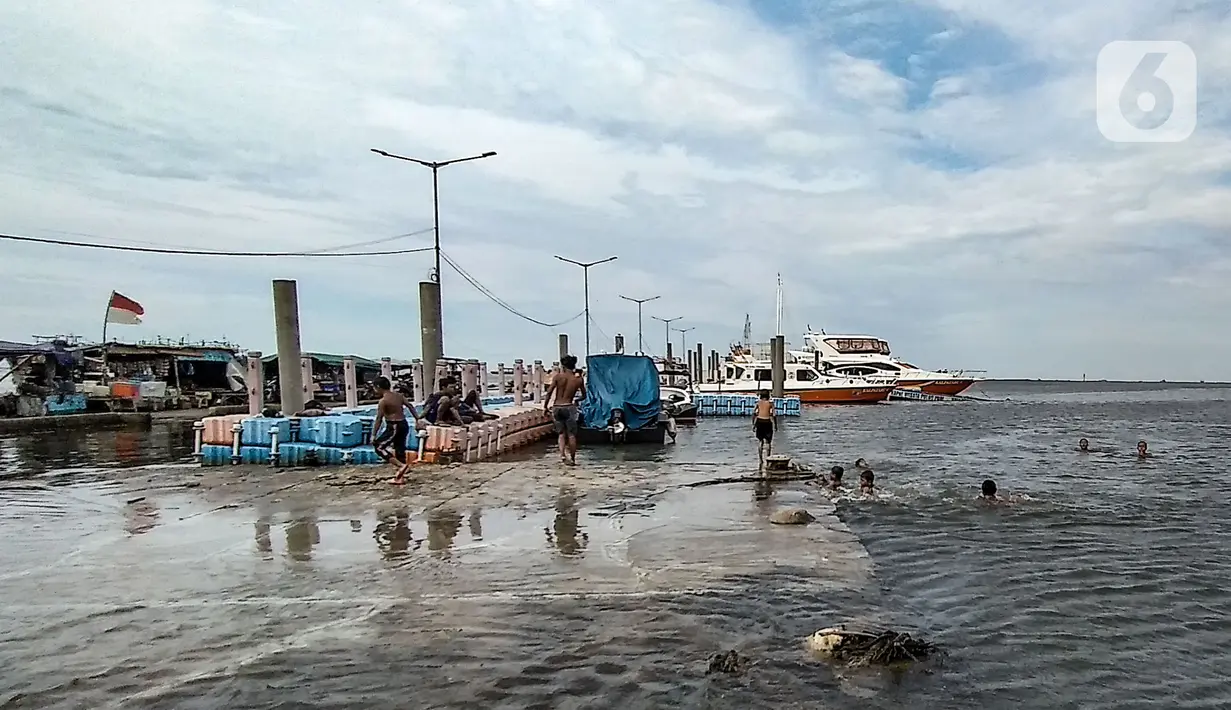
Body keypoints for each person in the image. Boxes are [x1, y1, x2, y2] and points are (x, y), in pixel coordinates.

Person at [544, 355, 585, 464]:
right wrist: (576, 401)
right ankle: (572, 458)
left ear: (563, 365)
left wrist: (545, 406)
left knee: (561, 433)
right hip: (569, 406)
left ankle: (562, 455)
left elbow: (549, 392)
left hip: (557, 407)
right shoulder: (578, 379)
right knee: (571, 434)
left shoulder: (558, 377)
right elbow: (584, 396)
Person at [371, 376, 413, 483]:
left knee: (379, 447)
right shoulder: (399, 396)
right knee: (400, 449)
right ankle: (400, 478)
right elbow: (410, 406)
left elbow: (379, 419)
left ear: (378, 387)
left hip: (394, 425)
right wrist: (417, 419)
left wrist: (373, 435)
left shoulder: (383, 401)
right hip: (404, 424)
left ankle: (401, 465)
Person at [753, 390, 775, 467]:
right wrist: (775, 425)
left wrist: (753, 424)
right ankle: (768, 458)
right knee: (768, 442)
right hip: (767, 421)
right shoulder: (770, 403)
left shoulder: (758, 403)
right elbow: (774, 415)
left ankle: (760, 459)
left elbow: (754, 413)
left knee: (760, 441)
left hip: (759, 421)